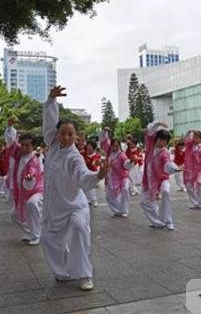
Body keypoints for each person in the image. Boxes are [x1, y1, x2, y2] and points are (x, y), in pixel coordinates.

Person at [40, 85, 110, 291]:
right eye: (63, 133)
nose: (66, 137)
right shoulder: (52, 147)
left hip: (75, 206)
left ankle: (85, 274)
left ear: (76, 136)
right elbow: (49, 122)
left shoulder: (74, 156)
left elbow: (83, 175)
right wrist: (51, 99)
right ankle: (63, 272)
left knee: (80, 228)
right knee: (48, 239)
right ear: (57, 134)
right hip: (55, 207)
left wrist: (98, 175)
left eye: (71, 134)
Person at [5, 118, 44, 245]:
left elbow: (33, 170)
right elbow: (11, 143)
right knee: (14, 215)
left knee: (32, 205)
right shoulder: (18, 154)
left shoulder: (34, 159)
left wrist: (30, 176)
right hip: (22, 192)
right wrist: (10, 127)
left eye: (28, 145)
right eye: (23, 144)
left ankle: (36, 235)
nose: (25, 147)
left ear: (33, 146)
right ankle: (28, 234)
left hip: (36, 191)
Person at [140, 121, 184, 230]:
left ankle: (168, 220)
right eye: (160, 140)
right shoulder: (150, 146)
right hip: (148, 179)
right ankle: (157, 221)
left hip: (161, 179)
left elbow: (167, 162)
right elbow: (149, 131)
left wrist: (175, 168)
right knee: (144, 201)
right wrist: (158, 123)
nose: (162, 143)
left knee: (165, 192)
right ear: (156, 139)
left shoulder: (164, 152)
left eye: (165, 141)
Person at [101, 127, 136, 217]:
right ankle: (117, 211)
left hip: (122, 177)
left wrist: (131, 161)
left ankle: (124, 210)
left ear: (119, 146)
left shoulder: (122, 155)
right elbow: (105, 140)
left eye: (117, 146)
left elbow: (126, 165)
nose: (115, 148)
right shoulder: (108, 152)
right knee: (109, 196)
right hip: (111, 178)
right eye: (113, 146)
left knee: (124, 189)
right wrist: (105, 131)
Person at [80, 140, 102, 206]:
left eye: (90, 146)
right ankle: (87, 200)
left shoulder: (97, 155)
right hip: (84, 172)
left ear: (93, 148)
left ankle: (94, 200)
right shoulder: (84, 153)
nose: (88, 147)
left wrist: (96, 163)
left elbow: (94, 163)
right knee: (84, 187)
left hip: (92, 173)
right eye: (88, 146)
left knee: (90, 187)